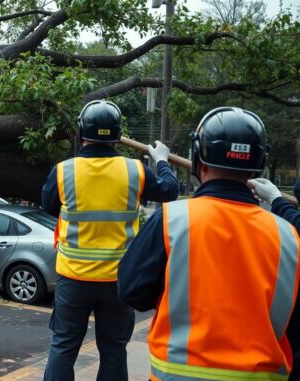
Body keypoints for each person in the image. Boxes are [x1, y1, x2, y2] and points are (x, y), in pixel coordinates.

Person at [118, 107, 300, 380]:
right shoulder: (289, 236)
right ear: (259, 163)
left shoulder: (170, 220)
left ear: (197, 156)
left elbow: (132, 292)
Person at [41, 99, 179, 381]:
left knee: (63, 347)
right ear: (117, 134)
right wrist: (162, 160)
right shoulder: (135, 171)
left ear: (81, 132)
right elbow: (170, 190)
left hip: (73, 278)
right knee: (114, 350)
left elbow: (49, 207)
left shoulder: (64, 171)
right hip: (118, 281)